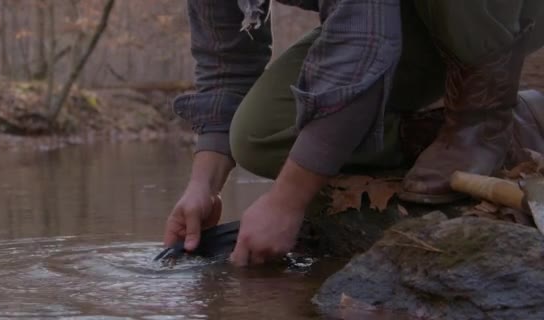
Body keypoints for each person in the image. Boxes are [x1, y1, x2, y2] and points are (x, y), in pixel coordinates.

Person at [164, 0, 544, 267]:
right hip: (395, 17)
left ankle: (482, 119)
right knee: (258, 136)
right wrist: (203, 185)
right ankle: (511, 121)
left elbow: (361, 42)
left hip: (503, 10)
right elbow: (226, 65)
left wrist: (288, 200)